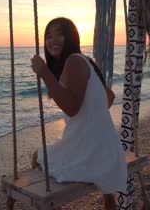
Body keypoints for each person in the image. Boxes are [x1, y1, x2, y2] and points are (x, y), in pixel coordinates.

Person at [30, 17, 126, 210]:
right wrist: (92, 114)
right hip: (108, 149)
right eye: (49, 36)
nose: (53, 40)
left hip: (90, 153)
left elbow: (72, 109)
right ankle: (110, 204)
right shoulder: (86, 60)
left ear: (71, 36)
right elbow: (109, 98)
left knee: (36, 156)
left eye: (60, 34)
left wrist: (45, 73)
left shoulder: (73, 61)